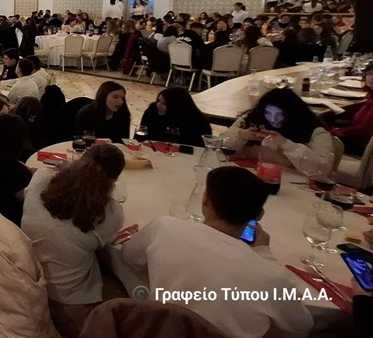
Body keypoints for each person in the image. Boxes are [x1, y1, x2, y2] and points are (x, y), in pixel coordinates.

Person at [121, 166, 313, 338]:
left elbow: (128, 256)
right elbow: (301, 325)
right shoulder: (272, 277)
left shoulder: (164, 228)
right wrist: (265, 253)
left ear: (205, 199)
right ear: (259, 215)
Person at [21, 143, 125, 337]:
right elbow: (105, 245)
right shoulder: (112, 213)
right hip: (69, 304)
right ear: (114, 179)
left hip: (28, 284)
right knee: (129, 281)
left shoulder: (41, 178)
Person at [219, 87, 334, 175]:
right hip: (250, 175)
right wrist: (241, 135)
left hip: (292, 184)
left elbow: (322, 170)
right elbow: (219, 146)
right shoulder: (252, 119)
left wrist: (286, 144)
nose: (273, 119)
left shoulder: (314, 131)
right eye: (268, 113)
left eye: (280, 115)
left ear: (293, 114)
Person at [138, 87, 213, 146]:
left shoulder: (198, 121)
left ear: (176, 107)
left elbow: (199, 145)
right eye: (158, 101)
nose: (158, 105)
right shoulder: (152, 110)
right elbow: (142, 133)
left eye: (163, 104)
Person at [331, 64, 373, 156]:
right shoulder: (370, 96)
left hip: (362, 148)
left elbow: (362, 131)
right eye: (370, 73)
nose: (372, 77)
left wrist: (335, 131)